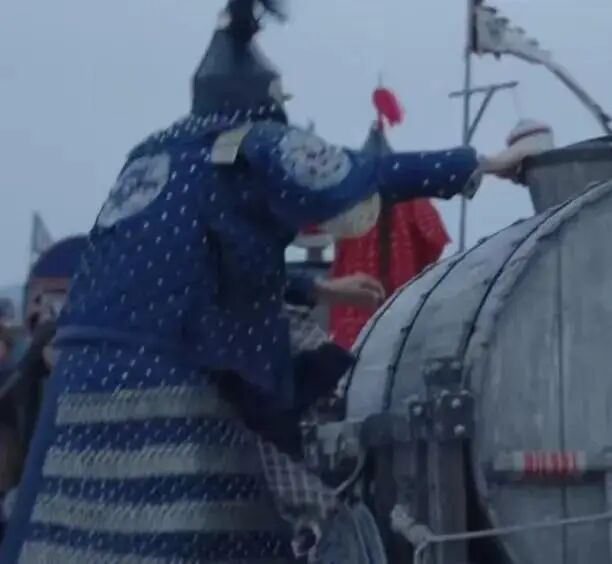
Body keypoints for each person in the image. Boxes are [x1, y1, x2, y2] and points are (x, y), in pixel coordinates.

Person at [0, 1, 518, 562]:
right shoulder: (251, 143)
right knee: (215, 536)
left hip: (78, 384)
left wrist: (323, 291)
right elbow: (366, 172)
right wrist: (481, 163)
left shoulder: (148, 157)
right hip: (168, 378)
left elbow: (204, 269)